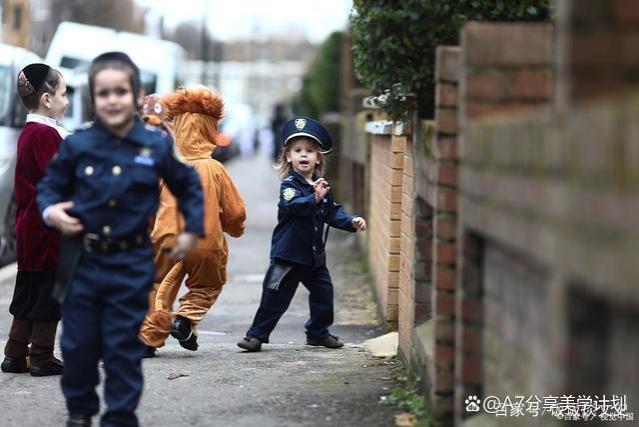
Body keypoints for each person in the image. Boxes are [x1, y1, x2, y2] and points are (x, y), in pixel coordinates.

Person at [37, 52, 204, 427]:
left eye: (121, 92)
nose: (112, 99)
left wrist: (192, 229)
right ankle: (80, 412)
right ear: (94, 98)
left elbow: (189, 184)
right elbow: (49, 186)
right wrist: (52, 212)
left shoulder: (154, 145)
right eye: (103, 93)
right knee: (77, 347)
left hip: (130, 267)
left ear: (136, 95)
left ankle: (120, 417)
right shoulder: (77, 145)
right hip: (82, 264)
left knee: (122, 350)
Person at [237, 116, 367, 352]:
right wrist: (314, 198)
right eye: (298, 150)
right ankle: (256, 335)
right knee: (274, 298)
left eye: (309, 151)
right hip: (288, 256)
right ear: (288, 156)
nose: (304, 155)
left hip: (313, 257)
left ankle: (317, 333)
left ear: (318, 158)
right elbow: (295, 206)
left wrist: (351, 221)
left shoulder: (321, 186)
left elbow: (331, 212)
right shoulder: (289, 186)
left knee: (324, 295)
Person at [140, 87, 246, 357]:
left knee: (157, 286)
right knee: (207, 284)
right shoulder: (215, 169)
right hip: (204, 240)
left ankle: (148, 338)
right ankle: (184, 319)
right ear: (210, 128)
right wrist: (235, 229)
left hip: (166, 238)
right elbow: (234, 213)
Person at [1, 63, 69, 377]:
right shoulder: (45, 134)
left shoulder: (32, 131)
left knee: (28, 292)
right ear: (46, 99)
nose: (67, 101)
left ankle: (15, 353)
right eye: (64, 94)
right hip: (47, 232)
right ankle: (41, 355)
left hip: (30, 228)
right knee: (47, 294)